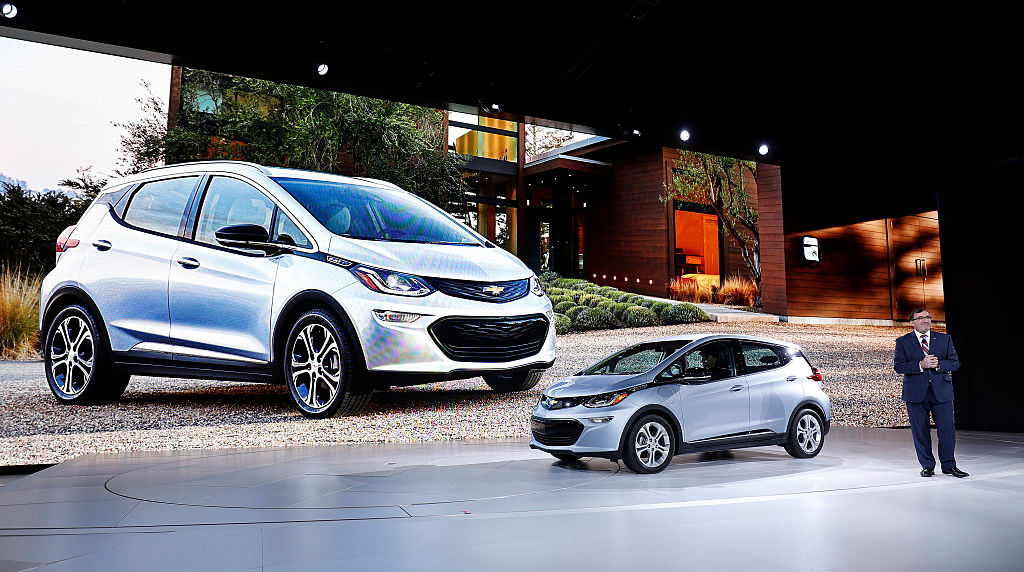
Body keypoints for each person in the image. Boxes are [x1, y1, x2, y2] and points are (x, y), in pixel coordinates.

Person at [893, 308, 967, 478]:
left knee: (947, 430)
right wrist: (920, 364)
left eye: (928, 317)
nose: (925, 320)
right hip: (915, 394)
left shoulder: (944, 339)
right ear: (912, 322)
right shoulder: (903, 341)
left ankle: (949, 466)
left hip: (941, 392)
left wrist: (939, 364)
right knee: (921, 431)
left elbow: (955, 363)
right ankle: (927, 466)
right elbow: (899, 366)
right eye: (920, 318)